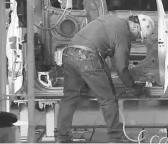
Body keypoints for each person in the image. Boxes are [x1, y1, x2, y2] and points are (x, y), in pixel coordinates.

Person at [55, 14, 155, 143]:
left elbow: (106, 47)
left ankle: (62, 137)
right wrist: (134, 88)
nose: (135, 39)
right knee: (108, 99)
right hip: (87, 58)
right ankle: (116, 137)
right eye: (138, 36)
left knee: (69, 97)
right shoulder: (124, 34)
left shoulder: (112, 19)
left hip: (69, 54)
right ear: (136, 27)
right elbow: (121, 68)